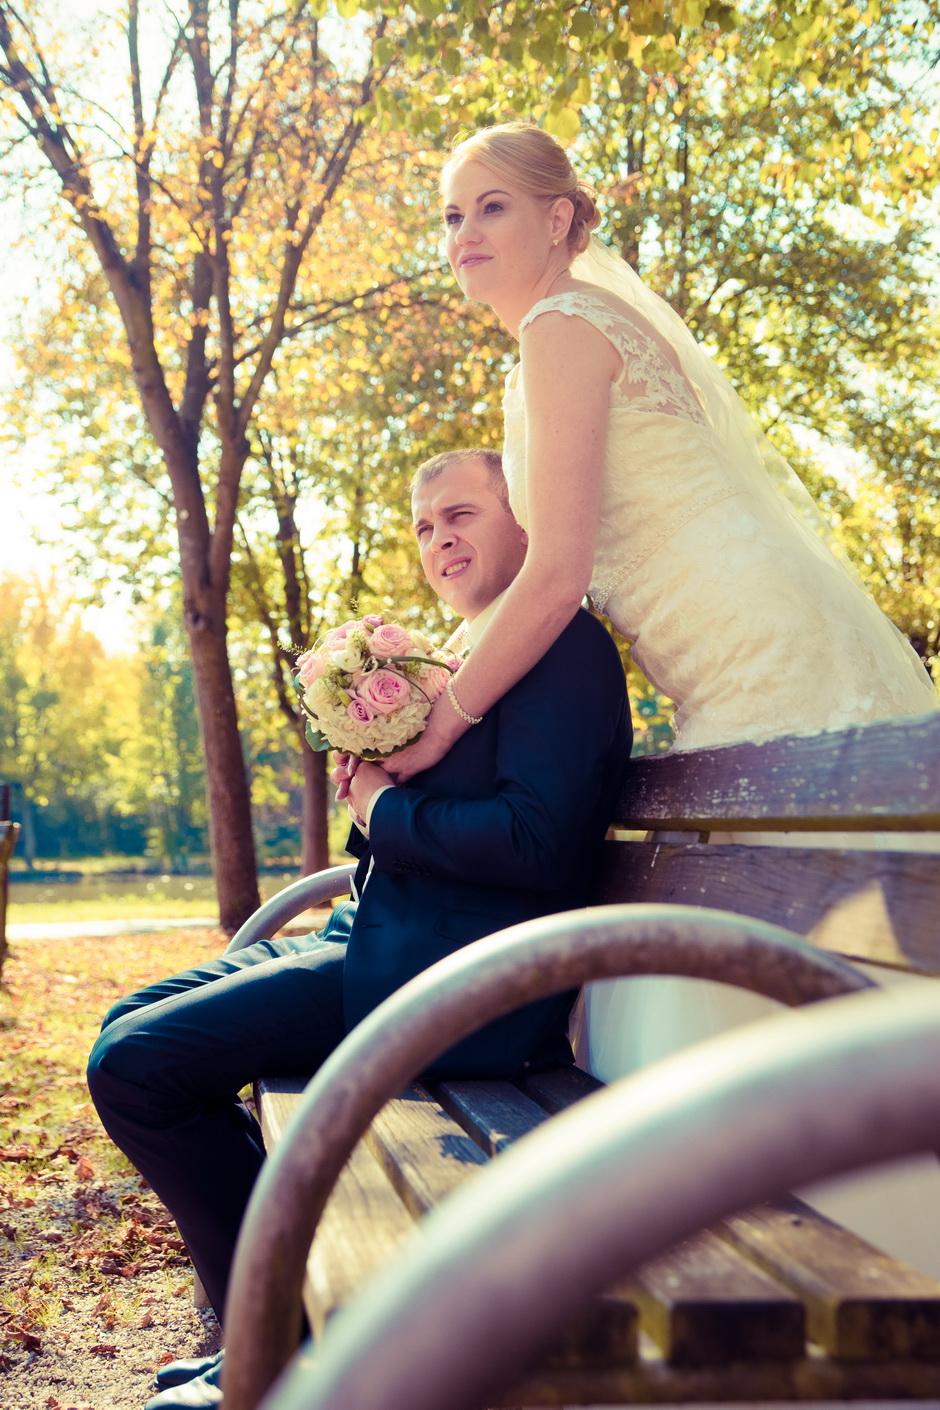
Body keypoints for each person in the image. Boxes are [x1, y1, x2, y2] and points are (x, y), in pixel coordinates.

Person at [373, 122, 940, 1277]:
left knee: (799, 964)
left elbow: (557, 574)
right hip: (739, 664)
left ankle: (847, 1260)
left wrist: (441, 725)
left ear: (560, 220)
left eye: (492, 207)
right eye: (449, 214)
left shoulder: (564, 331)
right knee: (755, 973)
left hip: (766, 658)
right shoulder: (569, 334)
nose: (464, 234)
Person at [86, 447, 632, 1410]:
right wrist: (373, 783)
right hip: (378, 943)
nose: (439, 540)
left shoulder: (561, 647)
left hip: (451, 987)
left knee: (135, 1068)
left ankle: (270, 1349)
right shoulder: (480, 648)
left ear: (526, 520)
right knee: (129, 1022)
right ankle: (275, 1325)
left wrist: (382, 808)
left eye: (460, 514)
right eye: (424, 527)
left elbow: (535, 843)